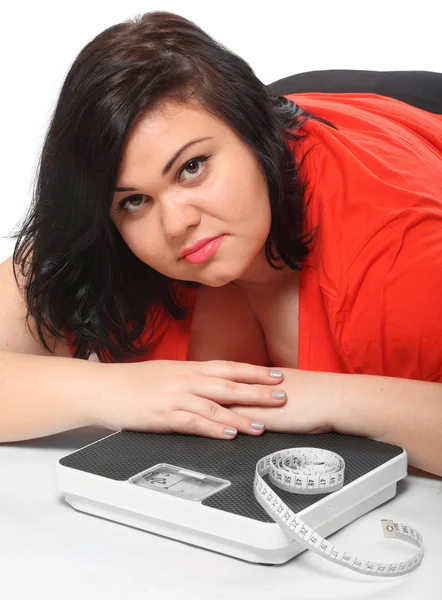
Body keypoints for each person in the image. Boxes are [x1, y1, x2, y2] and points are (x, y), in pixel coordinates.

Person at [0, 12, 441, 477]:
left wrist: (328, 397)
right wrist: (115, 390)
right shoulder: (109, 239)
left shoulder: (396, 251)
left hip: (407, 131)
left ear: (255, 133)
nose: (175, 224)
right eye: (134, 200)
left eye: (192, 168)